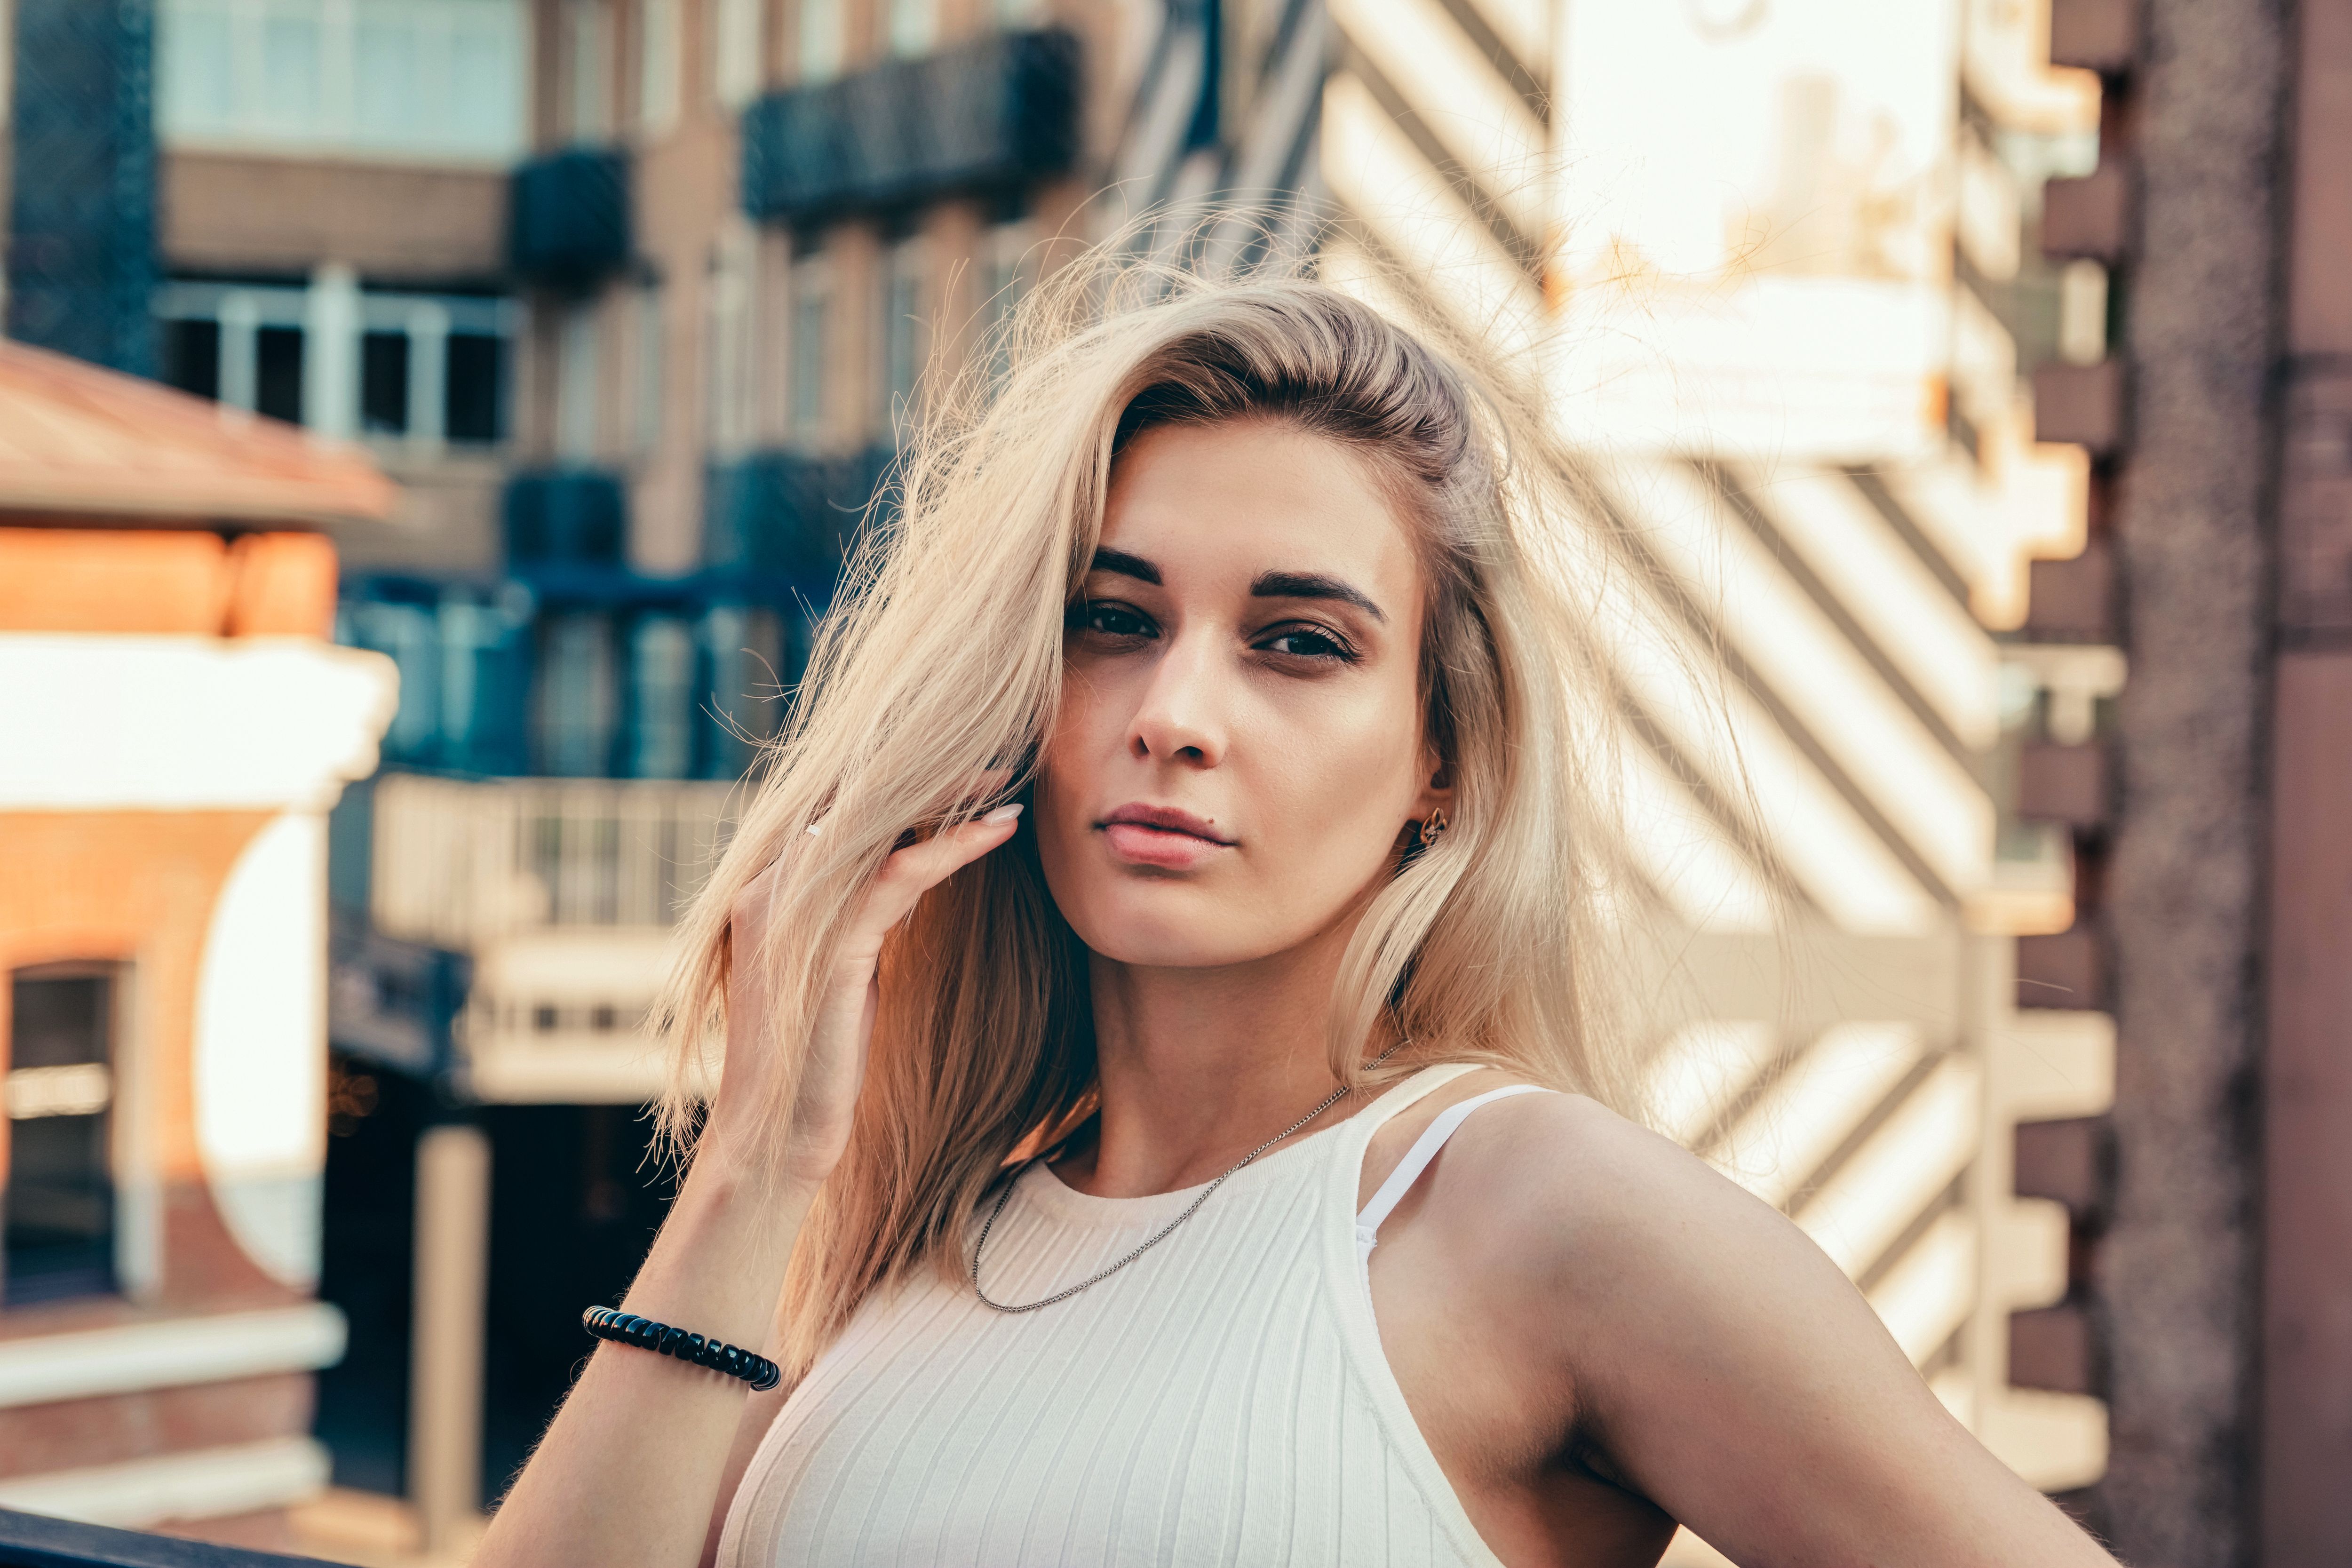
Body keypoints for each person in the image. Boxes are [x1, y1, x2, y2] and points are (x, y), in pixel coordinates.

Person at [475, 260, 2120, 1568]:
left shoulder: (1539, 1218)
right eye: (1112, 620)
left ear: (1443, 756)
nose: (1175, 713)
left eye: (1299, 643)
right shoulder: (915, 1255)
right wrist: (760, 1164)